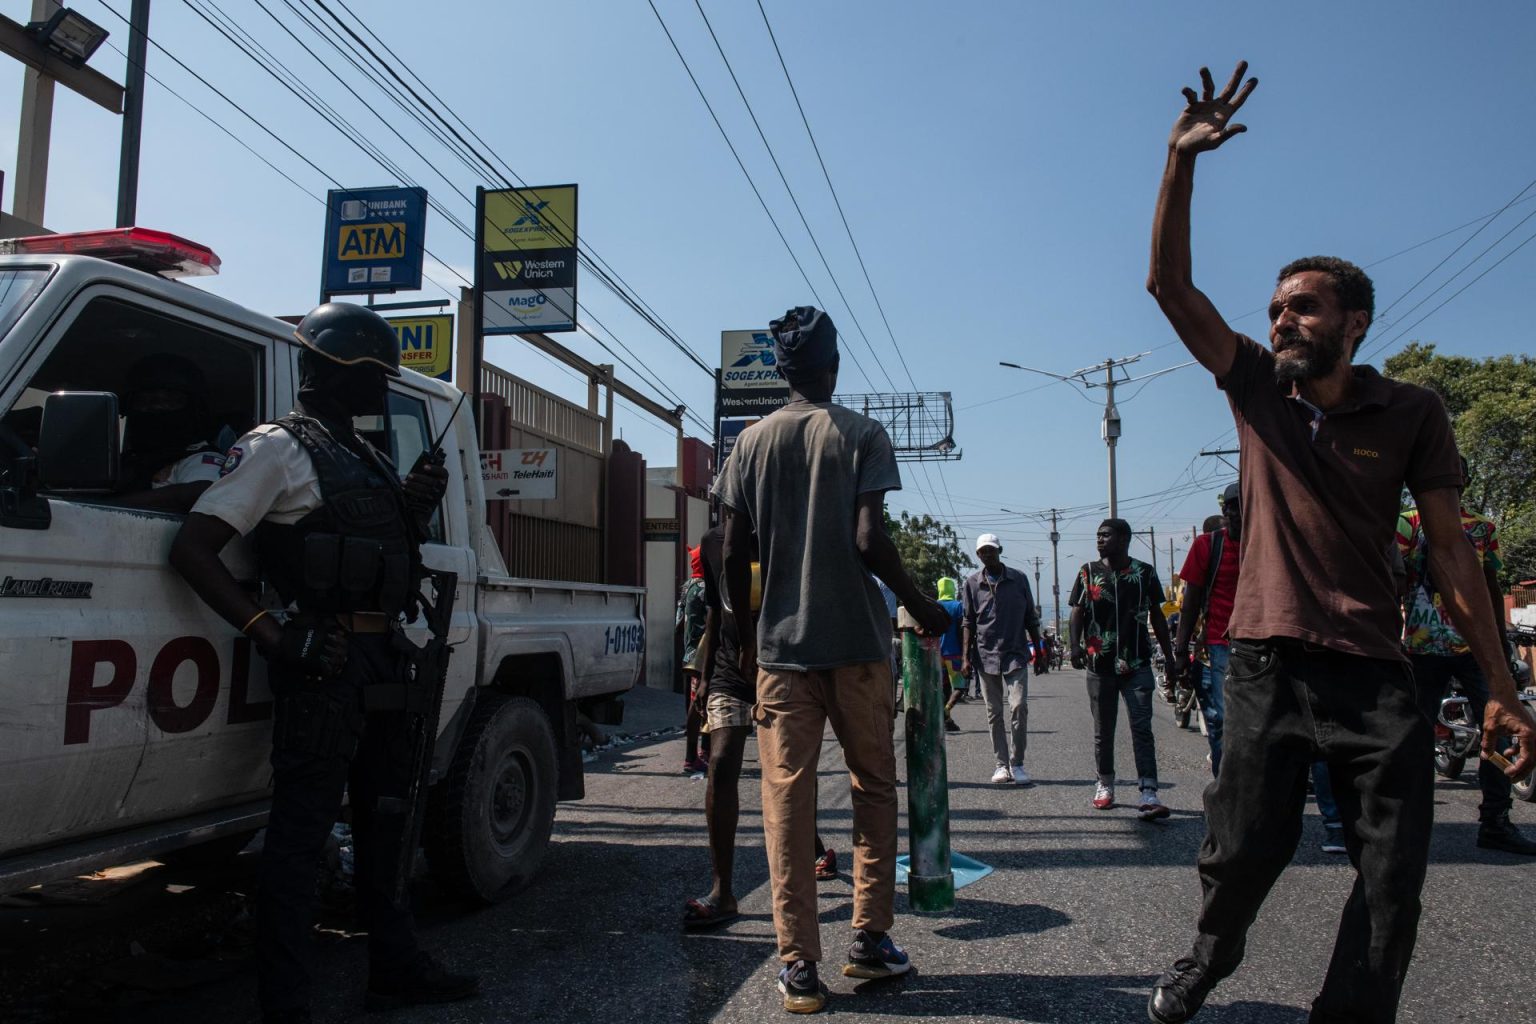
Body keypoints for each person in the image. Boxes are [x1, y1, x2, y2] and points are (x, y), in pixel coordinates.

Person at [1143, 62, 1536, 1024]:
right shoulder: (1253, 389)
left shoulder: (1411, 413)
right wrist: (1178, 161)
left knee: (1395, 877)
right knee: (1242, 852)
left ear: (1353, 324)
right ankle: (1210, 951)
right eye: (1277, 306)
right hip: (1267, 666)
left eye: (1303, 307)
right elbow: (1168, 284)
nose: (1282, 319)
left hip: (1375, 673)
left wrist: (1501, 685)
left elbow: (1453, 556)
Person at [168, 303, 478, 1024]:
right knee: (301, 840)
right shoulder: (277, 447)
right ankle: (286, 1005)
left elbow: (361, 542)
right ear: (334, 372)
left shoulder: (362, 453)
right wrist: (274, 636)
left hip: (381, 658)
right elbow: (193, 549)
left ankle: (393, 969)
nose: (383, 389)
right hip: (323, 662)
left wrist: (411, 505)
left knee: (386, 821)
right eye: (374, 375)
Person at [713, 305, 949, 1014]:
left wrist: (745, 631)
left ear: (782, 369)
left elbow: (728, 549)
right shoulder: (862, 434)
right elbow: (870, 539)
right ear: (833, 364)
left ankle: (798, 967)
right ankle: (870, 942)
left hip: (782, 653)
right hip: (857, 648)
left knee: (788, 801)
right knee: (873, 787)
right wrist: (921, 603)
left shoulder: (748, 444)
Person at [1399, 468, 1535, 855]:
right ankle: (1407, 827)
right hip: (1422, 649)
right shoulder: (1406, 525)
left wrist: (1500, 643)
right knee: (1411, 739)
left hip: (1473, 650)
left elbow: (1490, 586)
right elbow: (1394, 579)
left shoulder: (1481, 528)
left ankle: (1496, 821)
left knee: (1499, 731)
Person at [1069, 519, 1175, 820]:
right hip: (1099, 664)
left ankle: (1148, 791)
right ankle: (1105, 784)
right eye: (1098, 535)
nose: (1100, 540)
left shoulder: (1144, 573)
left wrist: (1169, 656)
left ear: (1125, 538)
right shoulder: (1088, 571)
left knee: (1142, 728)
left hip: (1137, 662)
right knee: (1104, 729)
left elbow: (1157, 616)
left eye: (1106, 535)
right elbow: (1077, 610)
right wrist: (1075, 646)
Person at [1174, 482, 1243, 777]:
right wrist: (1179, 652)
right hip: (1220, 645)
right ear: (1225, 511)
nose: (1241, 513)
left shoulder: (1269, 543)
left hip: (1265, 644)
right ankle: (1226, 791)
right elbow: (1189, 604)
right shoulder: (1207, 545)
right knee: (1224, 723)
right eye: (1235, 506)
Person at [962, 534, 1043, 785]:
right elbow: (967, 622)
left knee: (1018, 705)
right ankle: (1001, 764)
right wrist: (965, 657)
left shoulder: (1018, 579)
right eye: (983, 552)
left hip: (1016, 653)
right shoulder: (972, 583)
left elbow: (1031, 617)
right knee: (993, 712)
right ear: (978, 555)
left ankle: (1017, 763)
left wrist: (1039, 652)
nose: (988, 555)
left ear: (1000, 551)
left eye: (992, 551)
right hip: (985, 655)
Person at [115, 353, 226, 511]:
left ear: (194, 409)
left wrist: (110, 506)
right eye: (146, 402)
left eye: (171, 401)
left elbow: (203, 493)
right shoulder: (126, 460)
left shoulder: (201, 459)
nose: (157, 408)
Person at [677, 546, 710, 773]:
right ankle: (695, 755)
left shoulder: (687, 587)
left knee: (696, 702)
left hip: (689, 654)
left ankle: (703, 752)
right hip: (704, 655)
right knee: (702, 704)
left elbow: (678, 624)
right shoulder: (708, 588)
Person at [935, 576, 965, 729]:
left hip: (936, 654)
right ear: (952, 589)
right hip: (953, 653)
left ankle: (946, 721)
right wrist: (964, 652)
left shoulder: (934, 605)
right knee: (961, 687)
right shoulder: (958, 606)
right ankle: (946, 711)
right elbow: (961, 630)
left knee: (944, 686)